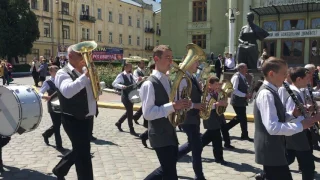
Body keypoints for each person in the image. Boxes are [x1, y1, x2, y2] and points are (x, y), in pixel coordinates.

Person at [254, 58, 320, 180]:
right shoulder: (266, 94)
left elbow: (278, 118)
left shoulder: (273, 91)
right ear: (271, 74)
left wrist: (293, 115)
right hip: (271, 149)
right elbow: (272, 127)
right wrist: (301, 125)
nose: (286, 78)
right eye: (284, 74)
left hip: (275, 148)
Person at [140, 45, 191, 179]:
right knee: (170, 174)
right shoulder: (149, 84)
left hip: (169, 133)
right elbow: (147, 113)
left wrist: (184, 104)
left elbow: (171, 104)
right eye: (167, 58)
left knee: (166, 170)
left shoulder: (167, 80)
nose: (171, 61)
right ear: (156, 59)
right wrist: (173, 106)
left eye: (172, 57)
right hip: (159, 135)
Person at [52, 45, 99, 180]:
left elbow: (90, 93)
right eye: (82, 55)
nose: (86, 58)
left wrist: (96, 83)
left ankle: (59, 170)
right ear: (71, 57)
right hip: (73, 119)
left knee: (81, 150)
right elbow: (67, 91)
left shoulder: (85, 71)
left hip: (87, 118)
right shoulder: (63, 73)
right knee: (83, 155)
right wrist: (85, 77)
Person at [279, 67, 315, 180]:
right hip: (296, 133)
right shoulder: (292, 94)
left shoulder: (299, 92)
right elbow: (290, 117)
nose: (309, 81)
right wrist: (311, 119)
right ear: (299, 79)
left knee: (289, 157)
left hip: (298, 130)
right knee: (308, 166)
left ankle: (266, 174)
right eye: (307, 79)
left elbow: (298, 112)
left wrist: (307, 110)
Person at [176, 58, 206, 179]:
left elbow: (193, 94)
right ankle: (199, 176)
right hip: (187, 118)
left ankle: (170, 160)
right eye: (196, 62)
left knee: (192, 144)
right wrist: (195, 105)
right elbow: (179, 100)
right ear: (188, 63)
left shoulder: (192, 77)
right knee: (197, 146)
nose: (198, 65)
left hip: (194, 117)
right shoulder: (183, 79)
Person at [38, 65, 64, 152]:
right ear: (50, 72)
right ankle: (59, 145)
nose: (57, 73)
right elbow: (40, 93)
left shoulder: (62, 81)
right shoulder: (47, 82)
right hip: (53, 106)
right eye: (55, 71)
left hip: (63, 105)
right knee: (57, 126)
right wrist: (45, 97)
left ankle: (46, 134)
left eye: (58, 71)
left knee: (59, 123)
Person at [224, 63, 253, 141]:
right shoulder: (236, 77)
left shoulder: (243, 77)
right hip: (237, 101)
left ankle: (243, 134)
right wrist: (245, 95)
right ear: (240, 69)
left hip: (241, 101)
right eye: (245, 68)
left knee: (241, 118)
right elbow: (234, 90)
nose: (247, 69)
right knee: (241, 118)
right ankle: (225, 128)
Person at [112, 62, 137, 135]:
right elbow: (114, 83)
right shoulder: (121, 75)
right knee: (130, 112)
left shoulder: (131, 75)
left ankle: (119, 122)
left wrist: (139, 79)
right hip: (125, 97)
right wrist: (121, 86)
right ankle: (131, 129)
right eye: (129, 67)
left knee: (129, 112)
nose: (131, 68)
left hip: (131, 96)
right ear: (125, 67)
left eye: (131, 67)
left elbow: (134, 83)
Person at [139, 63, 155, 148]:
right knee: (155, 126)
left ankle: (144, 136)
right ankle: (144, 136)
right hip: (152, 106)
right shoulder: (149, 79)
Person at [132, 60, 147, 125]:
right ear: (139, 64)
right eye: (142, 63)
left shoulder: (145, 71)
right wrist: (143, 78)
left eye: (144, 63)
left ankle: (136, 116)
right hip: (140, 89)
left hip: (145, 89)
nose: (144, 65)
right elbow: (136, 81)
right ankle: (145, 122)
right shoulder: (136, 71)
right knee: (146, 104)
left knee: (145, 104)